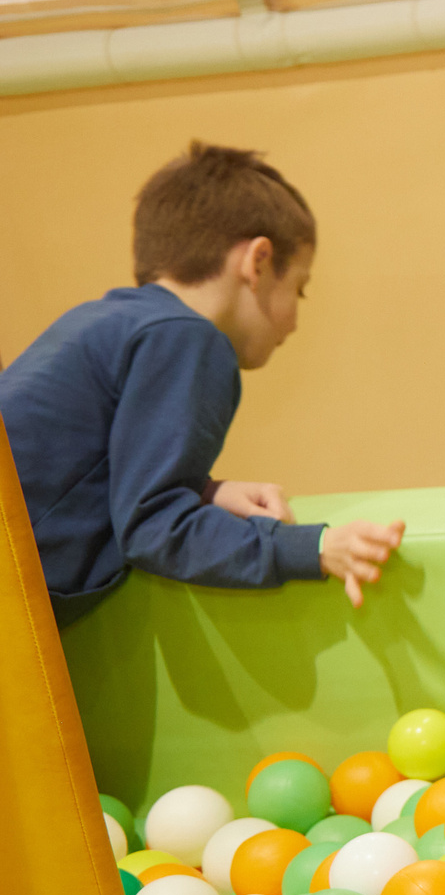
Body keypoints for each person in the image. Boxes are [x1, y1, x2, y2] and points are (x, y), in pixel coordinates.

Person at [0, 143, 404, 622]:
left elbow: (86, 470)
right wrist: (314, 546)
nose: (294, 322)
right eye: (299, 287)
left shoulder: (105, 320)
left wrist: (203, 491)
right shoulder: (189, 340)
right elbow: (155, 529)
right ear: (257, 261)